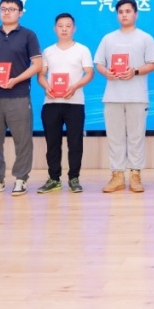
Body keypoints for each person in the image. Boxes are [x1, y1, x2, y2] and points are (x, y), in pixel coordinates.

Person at [0, 0, 42, 197]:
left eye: (12, 9)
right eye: (3, 8)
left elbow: (37, 65)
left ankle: (21, 179)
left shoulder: (28, 35)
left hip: (18, 95)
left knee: (23, 141)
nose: (7, 12)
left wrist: (16, 80)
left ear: (20, 13)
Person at [94, 0, 154, 193]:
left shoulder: (145, 38)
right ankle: (117, 176)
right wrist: (106, 72)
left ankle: (135, 175)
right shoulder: (108, 38)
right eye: (121, 12)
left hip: (137, 96)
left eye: (128, 11)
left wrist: (135, 71)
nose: (124, 15)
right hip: (112, 96)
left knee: (136, 137)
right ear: (117, 15)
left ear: (136, 14)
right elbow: (98, 63)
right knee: (115, 137)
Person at [35, 13, 94, 194]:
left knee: (75, 143)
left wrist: (75, 86)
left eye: (68, 26)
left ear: (74, 28)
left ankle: (74, 178)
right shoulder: (48, 51)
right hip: (51, 103)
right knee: (52, 143)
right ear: (55, 29)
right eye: (60, 26)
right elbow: (41, 75)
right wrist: (46, 87)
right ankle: (54, 179)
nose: (64, 29)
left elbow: (89, 73)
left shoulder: (82, 50)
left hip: (75, 103)